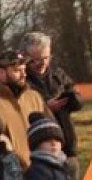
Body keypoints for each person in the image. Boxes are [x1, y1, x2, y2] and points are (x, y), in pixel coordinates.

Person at [21, 31, 81, 170]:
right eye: (36, 59)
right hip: (39, 150)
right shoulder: (22, 81)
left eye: (46, 58)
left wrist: (71, 98)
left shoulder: (58, 74)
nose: (43, 63)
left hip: (67, 147)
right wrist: (46, 107)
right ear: (26, 57)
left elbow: (78, 103)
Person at [0, 49, 48, 169]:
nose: (24, 75)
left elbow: (49, 130)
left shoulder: (34, 97)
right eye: (17, 70)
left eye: (24, 70)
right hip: (10, 171)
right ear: (1, 73)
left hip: (40, 168)